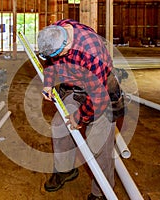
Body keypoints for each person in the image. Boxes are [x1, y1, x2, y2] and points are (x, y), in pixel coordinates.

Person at [37, 19, 121, 200]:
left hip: (101, 91)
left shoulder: (91, 51)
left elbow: (97, 96)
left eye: (59, 55)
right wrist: (48, 83)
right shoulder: (57, 30)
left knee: (98, 144)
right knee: (59, 126)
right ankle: (65, 170)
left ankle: (101, 192)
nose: (56, 59)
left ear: (67, 44)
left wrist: (80, 117)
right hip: (75, 87)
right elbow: (51, 62)